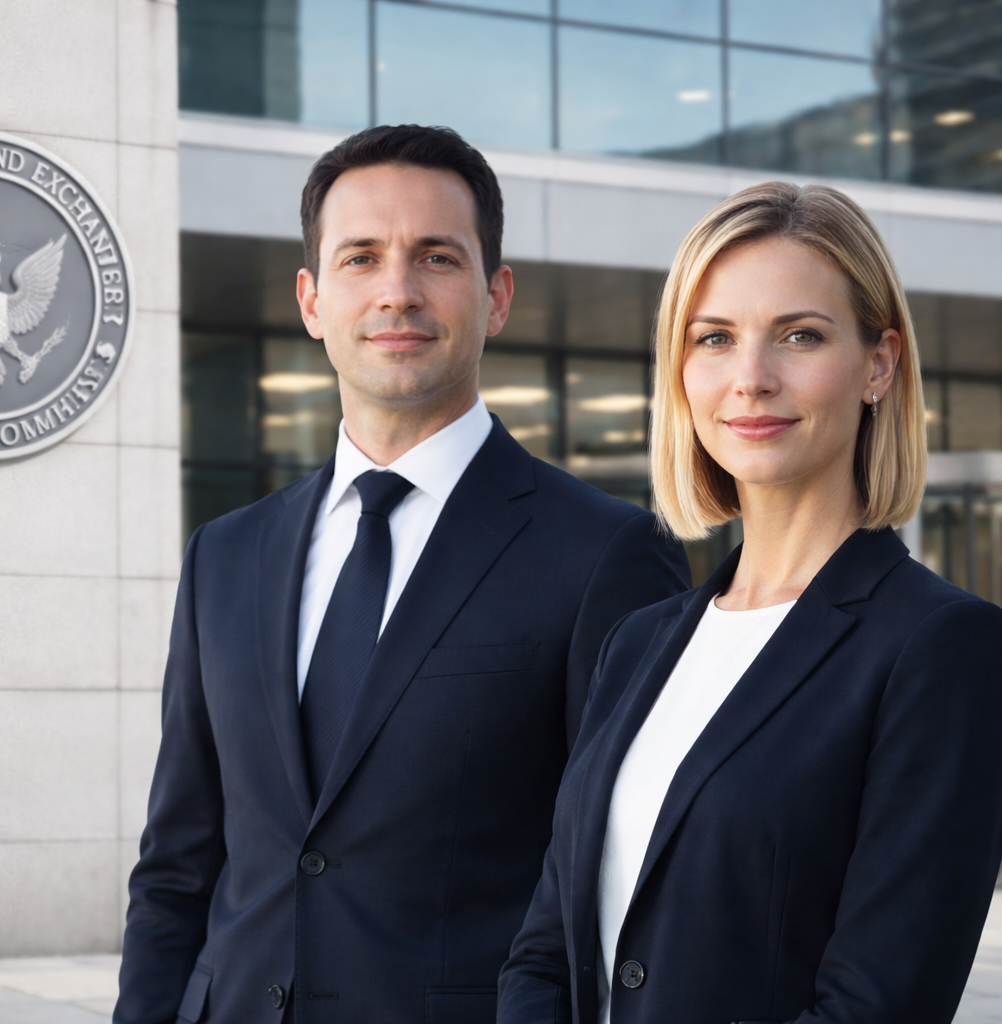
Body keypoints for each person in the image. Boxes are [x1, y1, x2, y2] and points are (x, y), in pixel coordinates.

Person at [115, 125, 690, 1024]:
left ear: (497, 297)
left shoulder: (607, 554)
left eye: (436, 257)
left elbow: (624, 878)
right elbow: (176, 866)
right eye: (361, 258)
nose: (397, 291)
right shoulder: (224, 556)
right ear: (311, 300)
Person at [498, 182, 1002, 1024]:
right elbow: (544, 949)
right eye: (714, 338)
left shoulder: (942, 646)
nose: (750, 379)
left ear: (879, 364)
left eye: (799, 335)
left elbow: (878, 1003)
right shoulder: (638, 643)